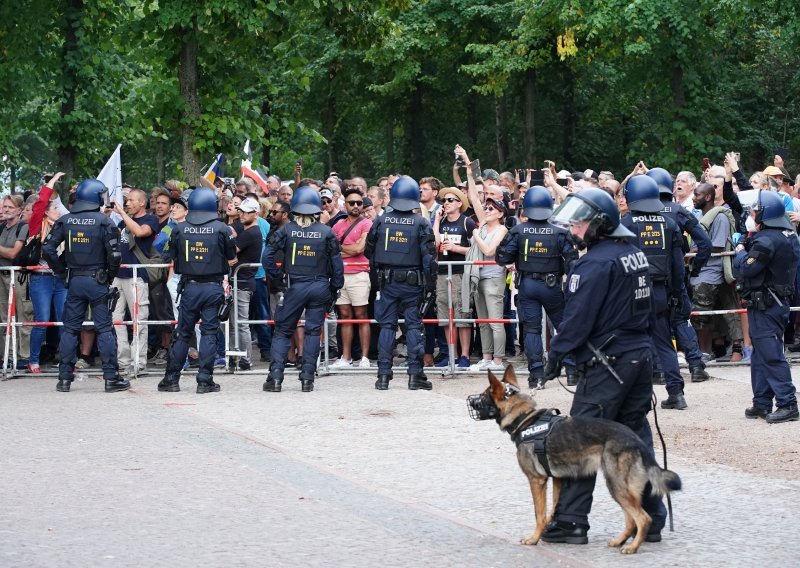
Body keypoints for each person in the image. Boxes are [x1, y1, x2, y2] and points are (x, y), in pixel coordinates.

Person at [541, 187, 666, 544]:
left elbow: (578, 320)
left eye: (579, 224)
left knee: (581, 442)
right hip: (638, 357)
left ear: (599, 225)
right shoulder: (634, 253)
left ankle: (570, 521)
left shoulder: (594, 263)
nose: (573, 230)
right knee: (635, 441)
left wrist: (555, 356)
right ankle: (652, 517)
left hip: (608, 364)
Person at [41, 179, 129, 393]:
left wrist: (62, 271)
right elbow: (115, 255)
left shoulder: (66, 220)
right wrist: (108, 276)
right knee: (105, 329)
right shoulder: (104, 222)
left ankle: (64, 379)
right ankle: (111, 378)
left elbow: (48, 249)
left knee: (70, 330)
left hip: (74, 281)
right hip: (97, 280)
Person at [262, 186, 344, 393]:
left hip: (295, 286)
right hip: (320, 286)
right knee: (313, 332)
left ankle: (276, 377)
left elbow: (267, 256)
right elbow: (337, 266)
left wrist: (278, 277)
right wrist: (334, 289)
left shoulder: (286, 230)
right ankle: (308, 378)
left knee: (282, 331)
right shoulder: (327, 232)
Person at [496, 185, 577, 388]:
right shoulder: (560, 233)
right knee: (564, 327)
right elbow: (572, 264)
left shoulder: (518, 231)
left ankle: (537, 375)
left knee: (531, 330)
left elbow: (502, 256)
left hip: (528, 285)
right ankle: (573, 371)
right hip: (552, 286)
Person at [158, 187, 236, 394]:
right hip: (213, 287)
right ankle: (204, 380)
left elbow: (170, 256)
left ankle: (171, 379)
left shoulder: (179, 229)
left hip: (189, 286)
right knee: (209, 333)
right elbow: (231, 256)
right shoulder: (222, 229)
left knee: (182, 333)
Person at [365, 176, 437, 390]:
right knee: (414, 326)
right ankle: (415, 375)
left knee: (387, 326)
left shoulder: (380, 220)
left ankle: (383, 376)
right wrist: (430, 288)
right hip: (412, 283)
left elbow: (369, 250)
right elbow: (429, 260)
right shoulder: (421, 223)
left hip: (387, 282)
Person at [621, 175, 687, 409]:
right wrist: (678, 293)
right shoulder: (669, 224)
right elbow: (678, 266)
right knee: (664, 342)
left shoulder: (626, 224)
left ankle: (632, 396)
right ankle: (676, 392)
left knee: (629, 343)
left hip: (632, 293)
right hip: (660, 291)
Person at [734, 191, 800, 423]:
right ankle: (761, 402)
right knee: (762, 354)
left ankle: (787, 402)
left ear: (764, 214)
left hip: (767, 303)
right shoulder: (788, 234)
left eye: (754, 212)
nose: (751, 215)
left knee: (770, 355)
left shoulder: (766, 240)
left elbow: (745, 269)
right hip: (776, 302)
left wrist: (740, 250)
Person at [647, 167, 712, 381]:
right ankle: (696, 366)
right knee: (681, 320)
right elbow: (705, 243)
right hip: (676, 276)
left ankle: (658, 371)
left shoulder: (639, 215)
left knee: (654, 323)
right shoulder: (679, 211)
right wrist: (695, 269)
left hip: (649, 279)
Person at [111, 188, 161, 376]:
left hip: (137, 277)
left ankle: (138, 363)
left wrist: (122, 214)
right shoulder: (124, 223)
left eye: (131, 200)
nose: (127, 203)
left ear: (142, 203)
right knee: (116, 320)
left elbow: (140, 232)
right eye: (126, 200)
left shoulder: (150, 220)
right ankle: (123, 361)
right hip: (119, 276)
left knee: (139, 321)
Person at [432, 186, 476, 369]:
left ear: (459, 203)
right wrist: (435, 220)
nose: (446, 203)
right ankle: (453, 354)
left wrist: (457, 249)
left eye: (450, 200)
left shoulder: (467, 223)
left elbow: (475, 251)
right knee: (445, 315)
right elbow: (434, 244)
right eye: (444, 200)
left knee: (462, 314)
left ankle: (465, 355)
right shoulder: (440, 222)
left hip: (460, 273)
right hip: (442, 273)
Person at [330, 187, 373, 369]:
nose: (356, 206)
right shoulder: (337, 225)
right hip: (341, 276)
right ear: (345, 204)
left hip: (360, 274)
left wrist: (341, 249)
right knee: (344, 316)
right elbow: (332, 251)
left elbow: (359, 249)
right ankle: (345, 357)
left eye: (359, 203)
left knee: (361, 315)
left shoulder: (367, 223)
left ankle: (364, 358)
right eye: (352, 203)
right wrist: (346, 250)